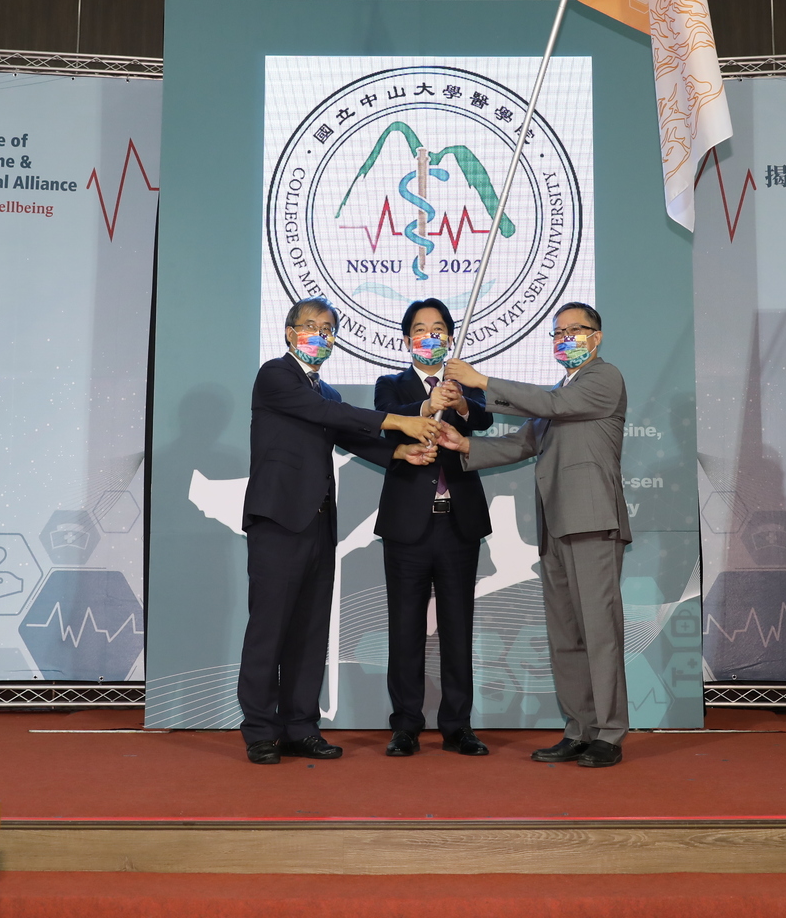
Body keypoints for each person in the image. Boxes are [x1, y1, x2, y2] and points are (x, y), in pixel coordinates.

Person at [237, 297, 441, 766]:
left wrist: (400, 454)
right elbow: (334, 417)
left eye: (329, 330)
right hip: (278, 521)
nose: (321, 336)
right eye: (312, 327)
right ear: (290, 332)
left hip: (318, 523)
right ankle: (260, 731)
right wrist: (399, 420)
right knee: (269, 629)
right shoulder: (275, 375)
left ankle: (300, 726)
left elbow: (350, 433)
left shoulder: (324, 392)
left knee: (310, 631)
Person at [438, 302, 628, 768]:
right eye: (558, 332)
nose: (566, 338)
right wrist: (463, 444)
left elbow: (555, 406)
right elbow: (521, 443)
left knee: (599, 631)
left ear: (596, 337)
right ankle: (578, 729)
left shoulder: (604, 379)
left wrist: (480, 381)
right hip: (555, 524)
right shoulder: (557, 392)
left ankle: (609, 732)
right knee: (566, 634)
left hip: (591, 520)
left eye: (576, 330)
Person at [374, 299, 495, 758]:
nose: (430, 336)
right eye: (421, 329)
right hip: (407, 525)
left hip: (457, 524)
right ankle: (405, 724)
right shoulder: (390, 384)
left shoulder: (462, 380)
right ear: (407, 339)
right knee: (404, 628)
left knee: (457, 627)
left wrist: (459, 400)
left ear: (449, 337)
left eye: (439, 328)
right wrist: (427, 403)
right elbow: (388, 423)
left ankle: (457, 725)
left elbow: (482, 418)